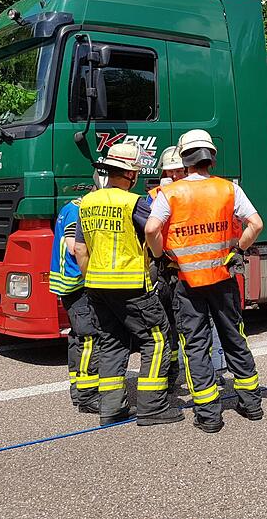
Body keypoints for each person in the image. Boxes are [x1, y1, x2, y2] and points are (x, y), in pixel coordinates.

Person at [145, 129, 264, 434]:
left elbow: (150, 231)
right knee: (234, 338)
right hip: (222, 278)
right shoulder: (228, 189)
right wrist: (239, 248)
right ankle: (252, 404)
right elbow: (256, 224)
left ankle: (209, 416)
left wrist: (161, 256)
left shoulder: (170, 194)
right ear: (212, 156)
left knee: (196, 345)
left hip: (186, 282)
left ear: (184, 159)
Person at [74, 143, 183, 427]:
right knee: (157, 338)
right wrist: (160, 256)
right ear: (132, 175)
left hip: (96, 286)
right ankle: (152, 407)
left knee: (111, 342)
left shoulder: (86, 203)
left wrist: (91, 279)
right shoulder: (133, 203)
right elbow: (153, 231)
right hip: (131, 284)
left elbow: (79, 250)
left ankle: (110, 408)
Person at [50, 172, 105, 414]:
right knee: (88, 338)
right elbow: (74, 248)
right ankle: (87, 395)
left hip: (69, 284)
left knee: (77, 337)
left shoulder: (69, 206)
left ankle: (77, 389)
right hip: (76, 284)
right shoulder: (79, 211)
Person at [147, 146, 187, 386]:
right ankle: (169, 371)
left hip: (189, 269)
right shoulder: (153, 196)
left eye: (178, 172)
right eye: (169, 172)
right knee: (165, 323)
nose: (173, 177)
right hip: (162, 268)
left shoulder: (193, 193)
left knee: (189, 325)